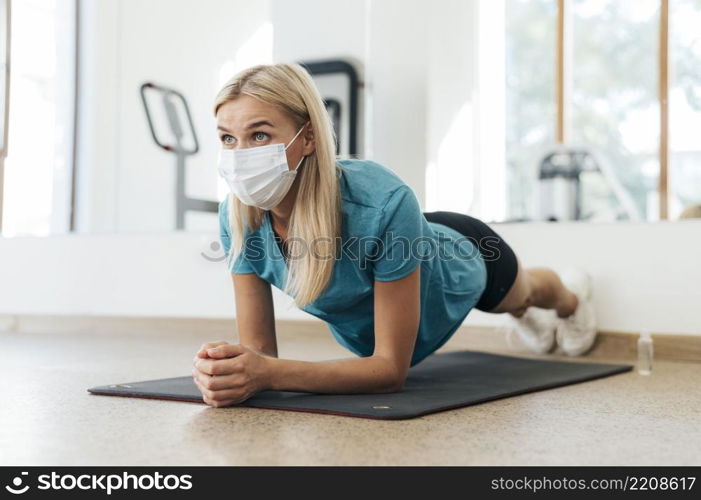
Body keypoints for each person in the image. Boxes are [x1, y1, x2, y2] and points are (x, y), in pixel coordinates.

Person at [192, 63, 597, 408]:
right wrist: (231, 370)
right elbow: (261, 357)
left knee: (521, 293)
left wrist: (268, 374)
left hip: (462, 259)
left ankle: (570, 298)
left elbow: (388, 371)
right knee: (519, 304)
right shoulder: (239, 217)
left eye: (259, 135)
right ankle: (527, 315)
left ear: (309, 137)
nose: (240, 155)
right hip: (403, 253)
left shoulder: (384, 200)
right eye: (228, 138)